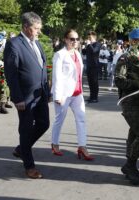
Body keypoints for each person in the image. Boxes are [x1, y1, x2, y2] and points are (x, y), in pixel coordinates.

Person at [4, 12, 50, 179]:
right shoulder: (14, 44)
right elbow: (11, 73)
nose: (39, 31)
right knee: (26, 128)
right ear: (25, 27)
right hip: (25, 97)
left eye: (39, 28)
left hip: (41, 94)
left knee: (44, 123)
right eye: (35, 28)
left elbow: (43, 67)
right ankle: (29, 166)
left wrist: (47, 91)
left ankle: (21, 149)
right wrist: (17, 98)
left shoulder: (37, 43)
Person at [115, 27, 139, 185]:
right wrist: (137, 84)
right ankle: (129, 166)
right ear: (135, 41)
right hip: (130, 101)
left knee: (134, 133)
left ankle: (132, 167)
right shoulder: (126, 57)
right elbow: (119, 79)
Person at [51, 29, 94, 160]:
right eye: (72, 39)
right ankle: (55, 144)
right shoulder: (60, 54)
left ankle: (82, 146)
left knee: (81, 119)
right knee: (60, 119)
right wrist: (58, 96)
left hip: (78, 93)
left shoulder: (77, 53)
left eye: (77, 39)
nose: (75, 41)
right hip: (64, 94)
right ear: (65, 39)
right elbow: (57, 76)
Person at [85, 31, 101, 103]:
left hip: (95, 66)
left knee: (94, 82)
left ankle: (95, 98)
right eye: (88, 37)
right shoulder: (89, 45)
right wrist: (84, 47)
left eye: (90, 37)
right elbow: (84, 52)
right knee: (90, 82)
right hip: (89, 66)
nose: (89, 38)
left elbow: (94, 51)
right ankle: (91, 96)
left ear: (94, 37)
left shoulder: (98, 44)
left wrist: (89, 45)